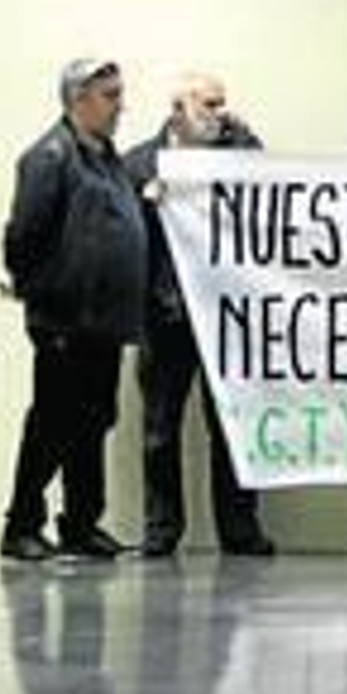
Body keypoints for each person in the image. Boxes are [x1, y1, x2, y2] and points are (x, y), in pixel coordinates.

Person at [0, 59, 147, 562]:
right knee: (52, 422)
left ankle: (81, 524)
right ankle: (21, 524)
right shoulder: (50, 157)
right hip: (65, 320)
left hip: (102, 322)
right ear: (79, 99)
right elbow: (22, 238)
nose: (121, 106)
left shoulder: (105, 157)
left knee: (94, 420)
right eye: (111, 96)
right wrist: (43, 291)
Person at [129, 73, 276, 558]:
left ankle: (239, 530)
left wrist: (244, 136)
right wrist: (146, 204)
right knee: (159, 430)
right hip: (164, 317)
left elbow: (274, 192)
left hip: (226, 318)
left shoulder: (240, 154)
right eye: (209, 104)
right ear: (179, 109)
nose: (219, 112)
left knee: (232, 426)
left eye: (222, 103)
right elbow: (124, 239)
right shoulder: (138, 164)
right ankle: (161, 530)